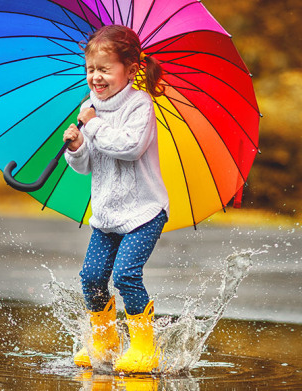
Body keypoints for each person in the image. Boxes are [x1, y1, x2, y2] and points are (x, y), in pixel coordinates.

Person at [62, 25, 169, 373]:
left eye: (105, 69)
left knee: (125, 275)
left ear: (131, 69)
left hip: (143, 212)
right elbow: (88, 164)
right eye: (91, 69)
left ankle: (143, 347)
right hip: (107, 213)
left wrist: (91, 126)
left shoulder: (140, 105)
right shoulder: (89, 107)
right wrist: (77, 148)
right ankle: (104, 342)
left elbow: (128, 147)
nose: (96, 77)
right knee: (92, 277)